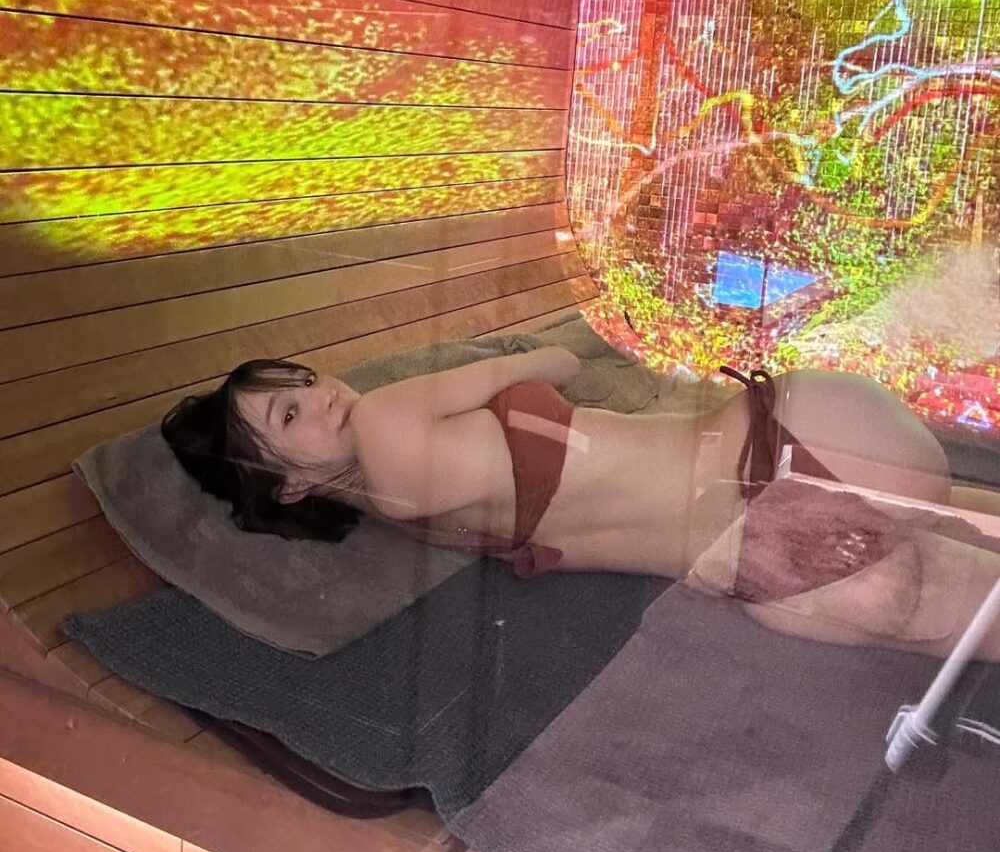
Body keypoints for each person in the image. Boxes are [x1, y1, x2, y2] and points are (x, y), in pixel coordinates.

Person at [161, 345, 1000, 661]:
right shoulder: (385, 419)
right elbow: (555, 361)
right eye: (290, 415)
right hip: (778, 446)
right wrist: (491, 380)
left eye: (305, 379)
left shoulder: (417, 527)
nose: (322, 395)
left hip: (767, 571)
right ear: (289, 484)